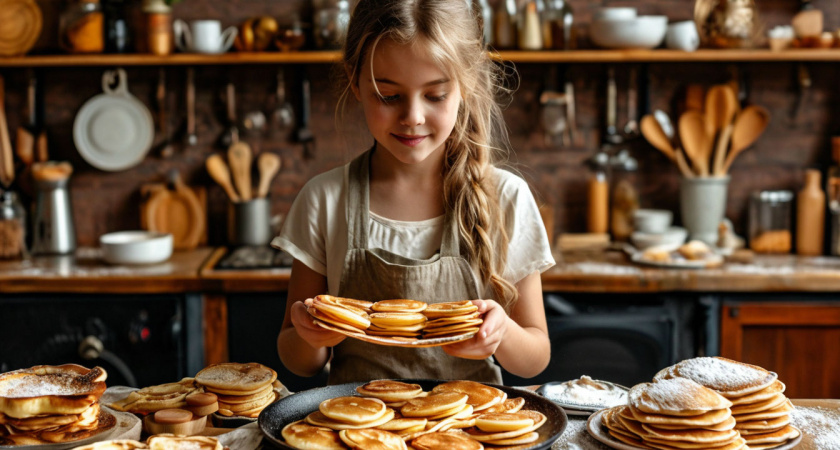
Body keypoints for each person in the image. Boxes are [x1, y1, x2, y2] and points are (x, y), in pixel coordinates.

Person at [272, 0, 554, 385]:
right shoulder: (323, 200)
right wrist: (310, 336)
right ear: (356, 82)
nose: (413, 117)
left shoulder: (505, 198)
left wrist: (501, 332)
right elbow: (296, 357)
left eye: (435, 95)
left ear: (466, 85)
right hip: (357, 436)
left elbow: (536, 356)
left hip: (468, 435)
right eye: (388, 96)